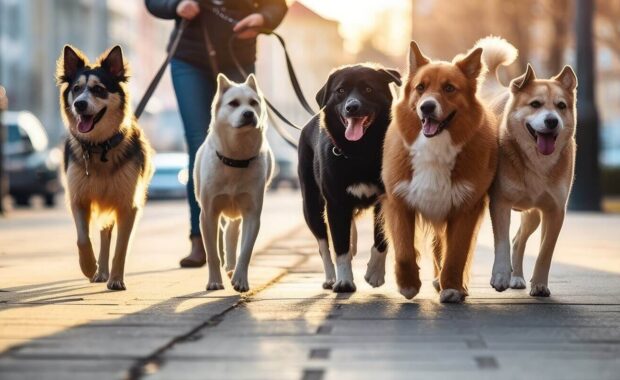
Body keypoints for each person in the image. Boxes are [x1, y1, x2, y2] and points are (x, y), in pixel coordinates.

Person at [145, 0, 288, 267]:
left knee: (245, 138)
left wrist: (262, 18)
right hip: (189, 57)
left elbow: (277, 5)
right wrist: (176, 5)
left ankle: (241, 216)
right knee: (200, 142)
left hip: (238, 53)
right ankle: (200, 238)